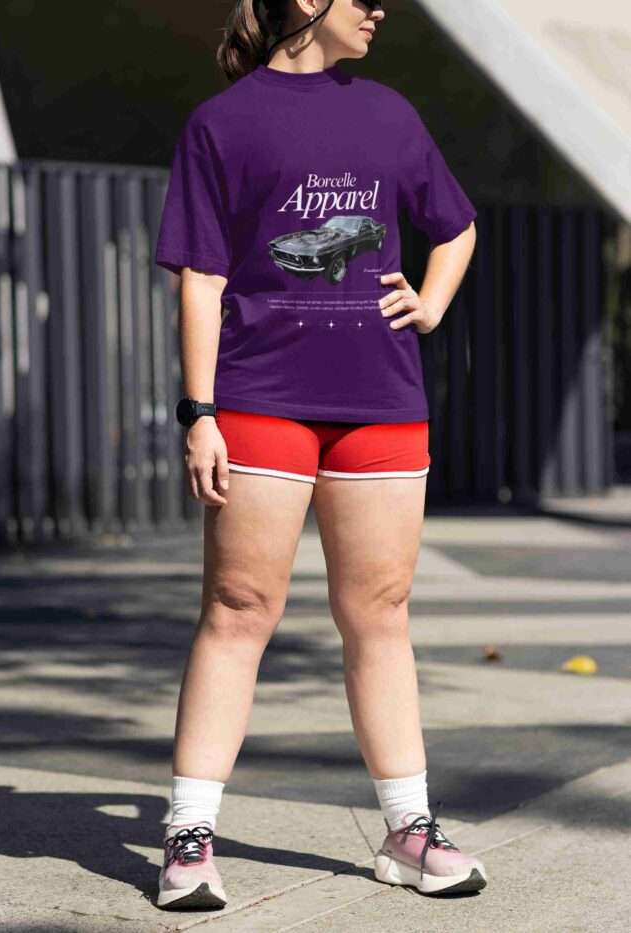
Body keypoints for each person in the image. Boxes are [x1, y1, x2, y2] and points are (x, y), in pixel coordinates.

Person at [154, 0, 485, 911]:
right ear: (306, 0)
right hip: (261, 400)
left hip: (382, 403)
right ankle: (187, 837)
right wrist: (200, 410)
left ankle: (409, 829)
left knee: (379, 612)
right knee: (238, 607)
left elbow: (454, 225)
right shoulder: (222, 123)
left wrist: (431, 301)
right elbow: (202, 274)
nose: (380, 8)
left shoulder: (390, 113)